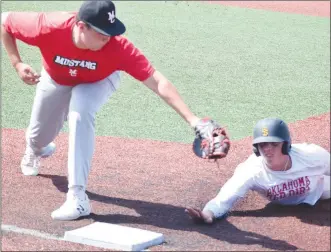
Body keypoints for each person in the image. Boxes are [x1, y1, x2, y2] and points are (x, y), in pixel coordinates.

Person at [1, 0, 205, 221]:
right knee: (38, 137)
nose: (107, 37)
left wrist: (194, 120)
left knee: (80, 112)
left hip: (98, 81)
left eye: (111, 31)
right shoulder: (48, 25)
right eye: (101, 33)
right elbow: (4, 21)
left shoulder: (118, 47)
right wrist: (17, 63)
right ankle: (36, 148)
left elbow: (157, 82)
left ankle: (77, 197)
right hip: (56, 77)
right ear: (81, 26)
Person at [186, 118, 330, 224]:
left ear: (286, 145)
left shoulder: (313, 156)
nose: (267, 149)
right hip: (283, 204)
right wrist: (207, 213)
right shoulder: (252, 170)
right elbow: (225, 198)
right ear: (256, 148)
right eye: (262, 144)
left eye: (274, 143)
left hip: (319, 189)